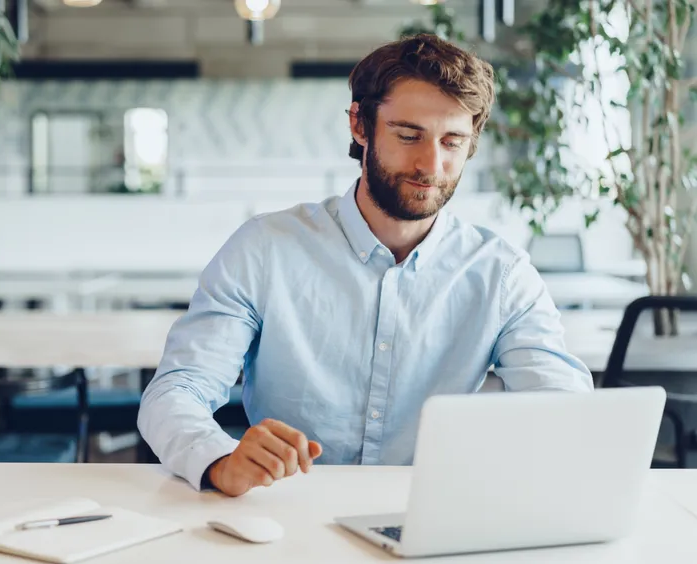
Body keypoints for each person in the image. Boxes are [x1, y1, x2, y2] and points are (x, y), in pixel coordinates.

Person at [138, 33, 594, 498]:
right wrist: (218, 458)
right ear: (360, 125)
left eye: (452, 141)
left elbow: (561, 406)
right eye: (408, 135)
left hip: (433, 515)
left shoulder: (501, 274)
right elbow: (176, 391)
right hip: (288, 511)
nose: (431, 165)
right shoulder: (265, 250)